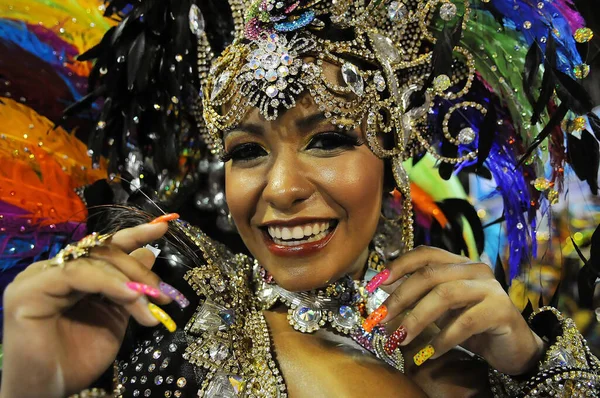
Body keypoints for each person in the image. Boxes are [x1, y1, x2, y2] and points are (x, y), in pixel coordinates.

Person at [1, 0, 600, 397]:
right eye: (247, 151)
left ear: (391, 158)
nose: (282, 189)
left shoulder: (486, 353)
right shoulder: (179, 350)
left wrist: (534, 366)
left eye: (329, 140)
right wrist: (30, 383)